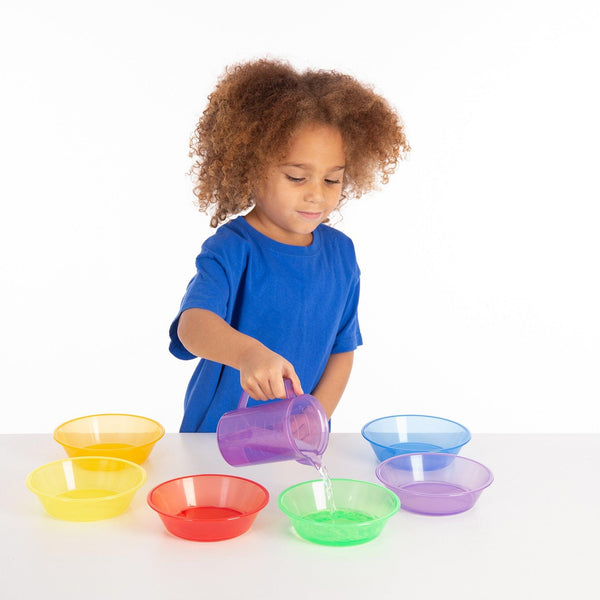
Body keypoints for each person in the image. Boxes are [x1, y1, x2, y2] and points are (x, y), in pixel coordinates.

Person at [169, 58, 410, 432]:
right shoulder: (232, 248)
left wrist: (316, 416)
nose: (317, 195)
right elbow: (193, 326)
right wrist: (247, 353)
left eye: (332, 180)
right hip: (216, 440)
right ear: (251, 166)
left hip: (294, 442)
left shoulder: (341, 255)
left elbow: (342, 350)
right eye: (297, 177)